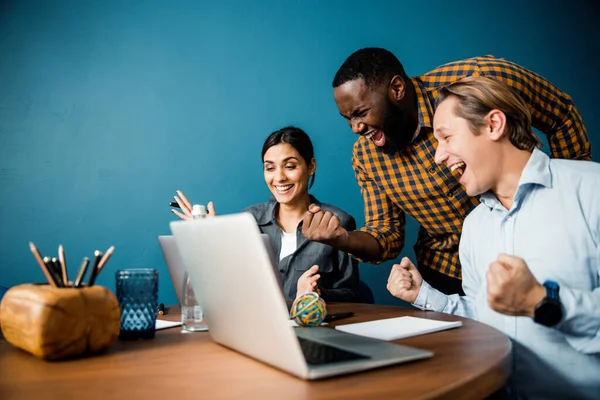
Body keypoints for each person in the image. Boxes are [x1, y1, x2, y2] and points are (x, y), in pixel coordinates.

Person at [302, 48, 591, 295]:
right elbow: (386, 233)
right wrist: (342, 239)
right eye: (347, 118)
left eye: (361, 113)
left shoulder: (479, 82)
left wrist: (571, 201)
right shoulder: (366, 157)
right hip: (448, 271)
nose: (355, 128)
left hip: (532, 253)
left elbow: (560, 114)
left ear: (397, 89)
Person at [387, 76, 599, 399]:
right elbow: (483, 321)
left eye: (446, 138)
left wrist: (543, 303)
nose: (438, 157)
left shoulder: (591, 190)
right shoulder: (473, 226)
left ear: (493, 125)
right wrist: (423, 295)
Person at [172, 126, 360, 303]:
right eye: (270, 168)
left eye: (290, 166)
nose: (279, 178)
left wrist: (317, 294)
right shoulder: (248, 220)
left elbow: (353, 294)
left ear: (311, 166)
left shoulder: (337, 222)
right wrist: (214, 238)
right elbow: (228, 286)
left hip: (312, 327)